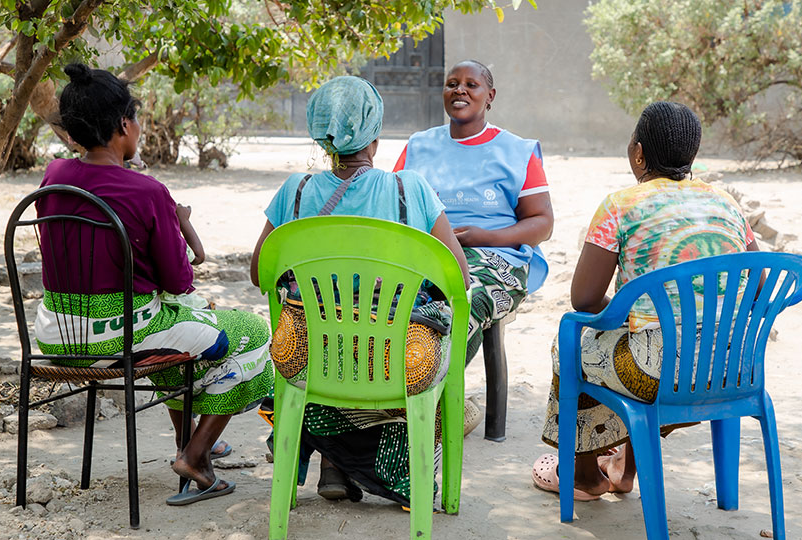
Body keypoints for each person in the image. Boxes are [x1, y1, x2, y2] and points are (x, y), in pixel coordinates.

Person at [35, 63, 273, 506]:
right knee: (253, 334)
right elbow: (179, 282)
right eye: (136, 119)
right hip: (118, 339)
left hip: (56, 337)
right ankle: (195, 456)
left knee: (179, 331)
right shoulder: (147, 191)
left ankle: (190, 440)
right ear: (124, 125)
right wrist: (181, 225)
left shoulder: (53, 175)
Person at [249, 75, 469, 506]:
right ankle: (395, 475)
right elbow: (457, 280)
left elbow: (260, 274)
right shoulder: (409, 189)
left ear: (322, 136)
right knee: (434, 351)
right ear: (376, 136)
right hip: (392, 360)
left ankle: (332, 459)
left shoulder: (296, 192)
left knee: (312, 337)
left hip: (309, 356)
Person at [530, 101, 759, 500]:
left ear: (638, 153)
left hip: (659, 374)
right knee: (642, 337)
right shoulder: (727, 203)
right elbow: (756, 285)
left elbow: (584, 299)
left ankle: (584, 476)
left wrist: (630, 315)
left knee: (575, 343)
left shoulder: (621, 205)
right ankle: (624, 467)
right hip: (730, 367)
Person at [394, 60, 554, 365]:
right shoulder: (419, 146)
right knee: (383, 303)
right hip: (426, 254)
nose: (460, 90)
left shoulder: (516, 151)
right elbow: (395, 204)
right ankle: (389, 383)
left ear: (490, 96)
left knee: (460, 305)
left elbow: (543, 223)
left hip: (494, 259)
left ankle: (435, 386)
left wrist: (485, 237)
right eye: (452, 84)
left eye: (471, 85)